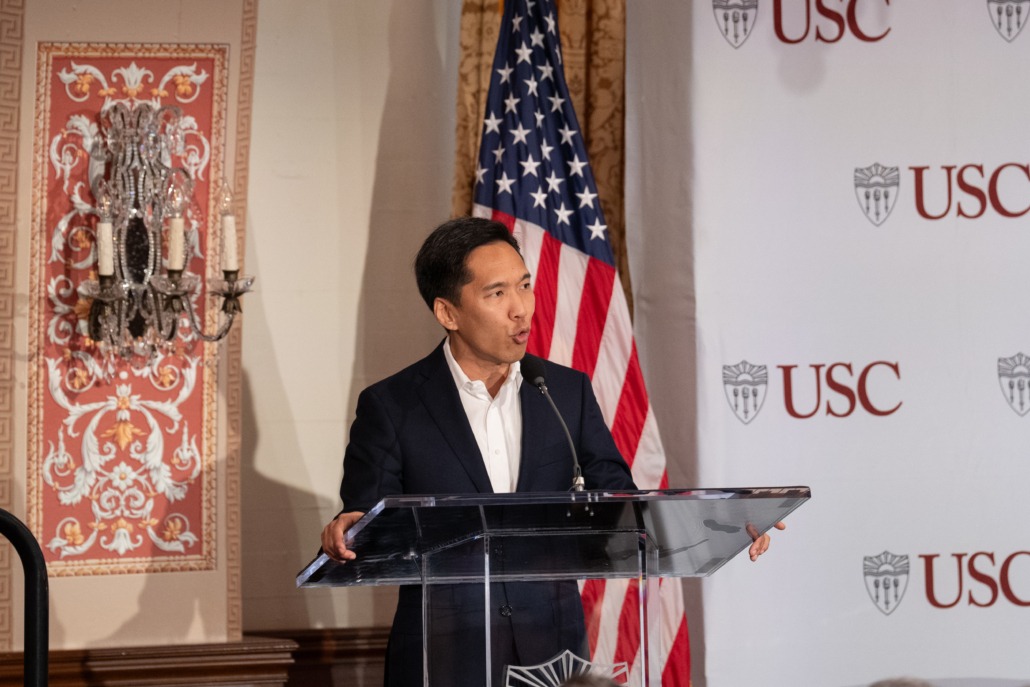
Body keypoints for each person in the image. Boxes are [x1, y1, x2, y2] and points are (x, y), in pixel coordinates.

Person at [320, 217, 780, 685]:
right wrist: (348, 529)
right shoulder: (392, 406)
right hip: (444, 656)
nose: (521, 309)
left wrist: (721, 524)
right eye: (497, 293)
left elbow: (623, 509)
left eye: (524, 285)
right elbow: (368, 525)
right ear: (448, 312)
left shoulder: (564, 392)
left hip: (551, 656)